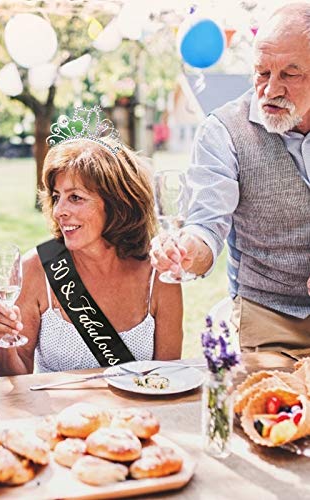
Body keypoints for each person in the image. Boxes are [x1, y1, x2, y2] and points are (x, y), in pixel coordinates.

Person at [151, 3, 310, 351]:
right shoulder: (223, 131)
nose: (270, 90)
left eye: (290, 74)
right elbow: (206, 226)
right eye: (262, 72)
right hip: (267, 319)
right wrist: (187, 251)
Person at [0, 113, 183, 376]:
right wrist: (5, 342)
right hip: (56, 417)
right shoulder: (36, 269)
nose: (59, 211)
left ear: (117, 204)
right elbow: (13, 382)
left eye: (75, 197)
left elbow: (167, 379)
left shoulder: (159, 275)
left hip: (134, 416)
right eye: (57, 197)